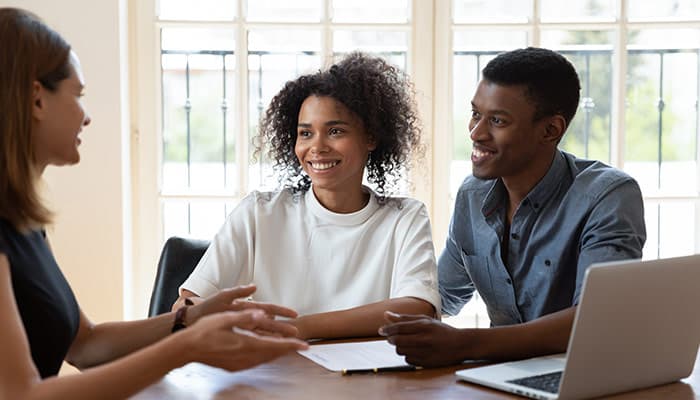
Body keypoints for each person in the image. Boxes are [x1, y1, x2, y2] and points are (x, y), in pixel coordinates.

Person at [0, 8, 308, 399]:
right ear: (36, 100)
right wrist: (188, 347)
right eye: (77, 95)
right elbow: (19, 395)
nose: (87, 116)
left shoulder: (22, 223)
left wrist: (190, 318)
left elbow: (88, 345)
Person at [379, 47, 646, 366]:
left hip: (581, 374)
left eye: (497, 121)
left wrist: (465, 344)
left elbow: (594, 319)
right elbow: (440, 294)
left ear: (551, 130)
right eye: (476, 114)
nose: (476, 133)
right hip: (499, 375)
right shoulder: (473, 195)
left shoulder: (608, 195)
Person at [174, 52, 440, 340]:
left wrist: (294, 327)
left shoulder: (405, 218)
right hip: (276, 373)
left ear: (371, 138)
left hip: (369, 380)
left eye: (335, 131)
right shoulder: (259, 212)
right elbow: (186, 305)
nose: (317, 147)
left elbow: (417, 308)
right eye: (305, 133)